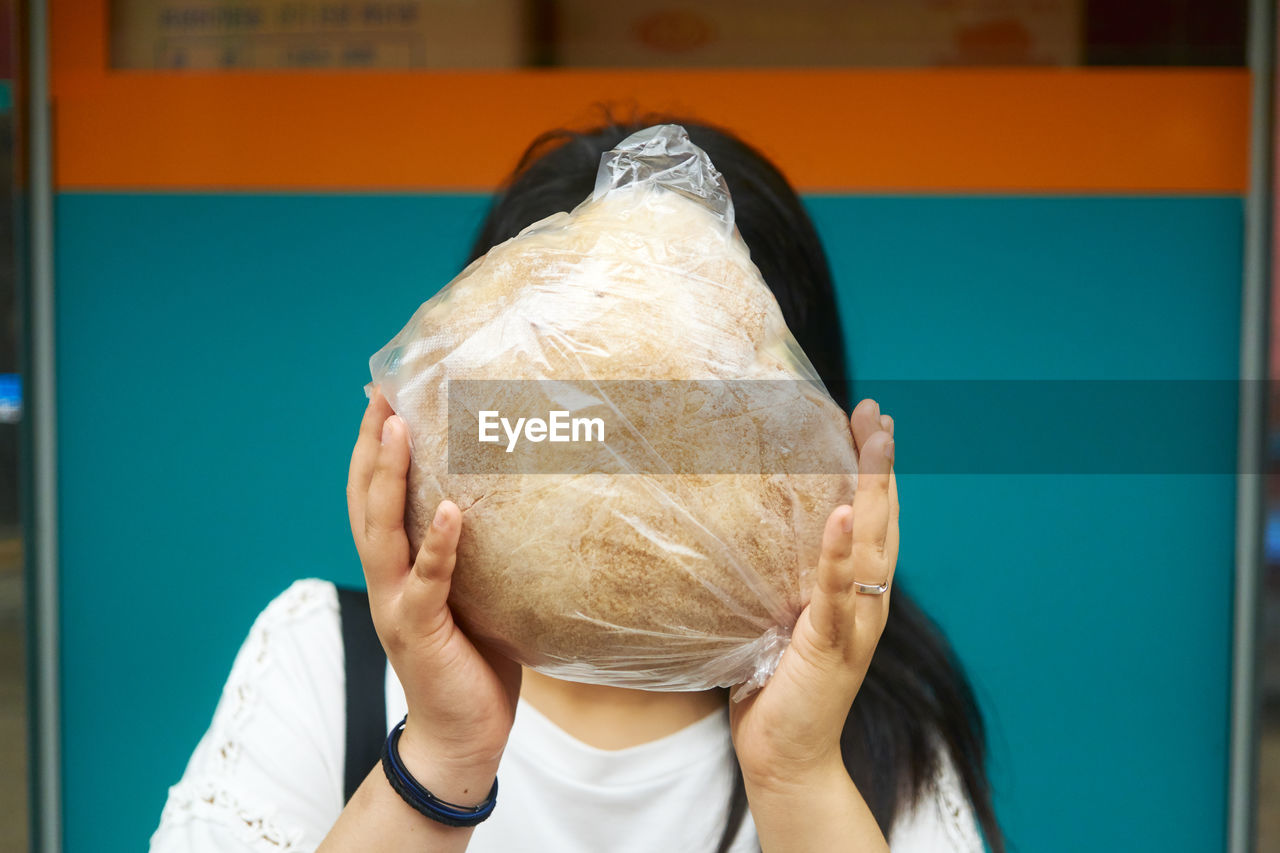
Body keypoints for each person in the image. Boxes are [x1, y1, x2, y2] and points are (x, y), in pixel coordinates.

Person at [150, 117, 1004, 853]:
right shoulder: (322, 665)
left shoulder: (873, 730)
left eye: (696, 411)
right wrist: (443, 754)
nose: (625, 461)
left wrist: (797, 772)